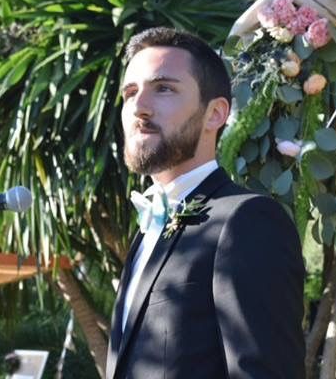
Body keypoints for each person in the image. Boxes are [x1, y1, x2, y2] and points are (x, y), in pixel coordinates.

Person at [106, 27, 305, 379]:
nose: (139, 106)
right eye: (130, 93)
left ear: (215, 114)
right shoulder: (146, 233)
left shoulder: (247, 221)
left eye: (163, 88)